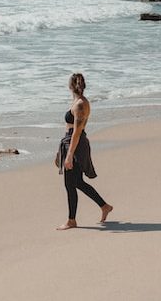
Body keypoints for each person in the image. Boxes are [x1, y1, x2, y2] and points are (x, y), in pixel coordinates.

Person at [56, 73, 113, 230]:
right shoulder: (77, 101)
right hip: (72, 143)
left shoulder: (80, 105)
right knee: (77, 182)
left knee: (70, 184)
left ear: (70, 86)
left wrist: (69, 156)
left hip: (75, 145)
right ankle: (104, 206)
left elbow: (77, 132)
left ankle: (71, 220)